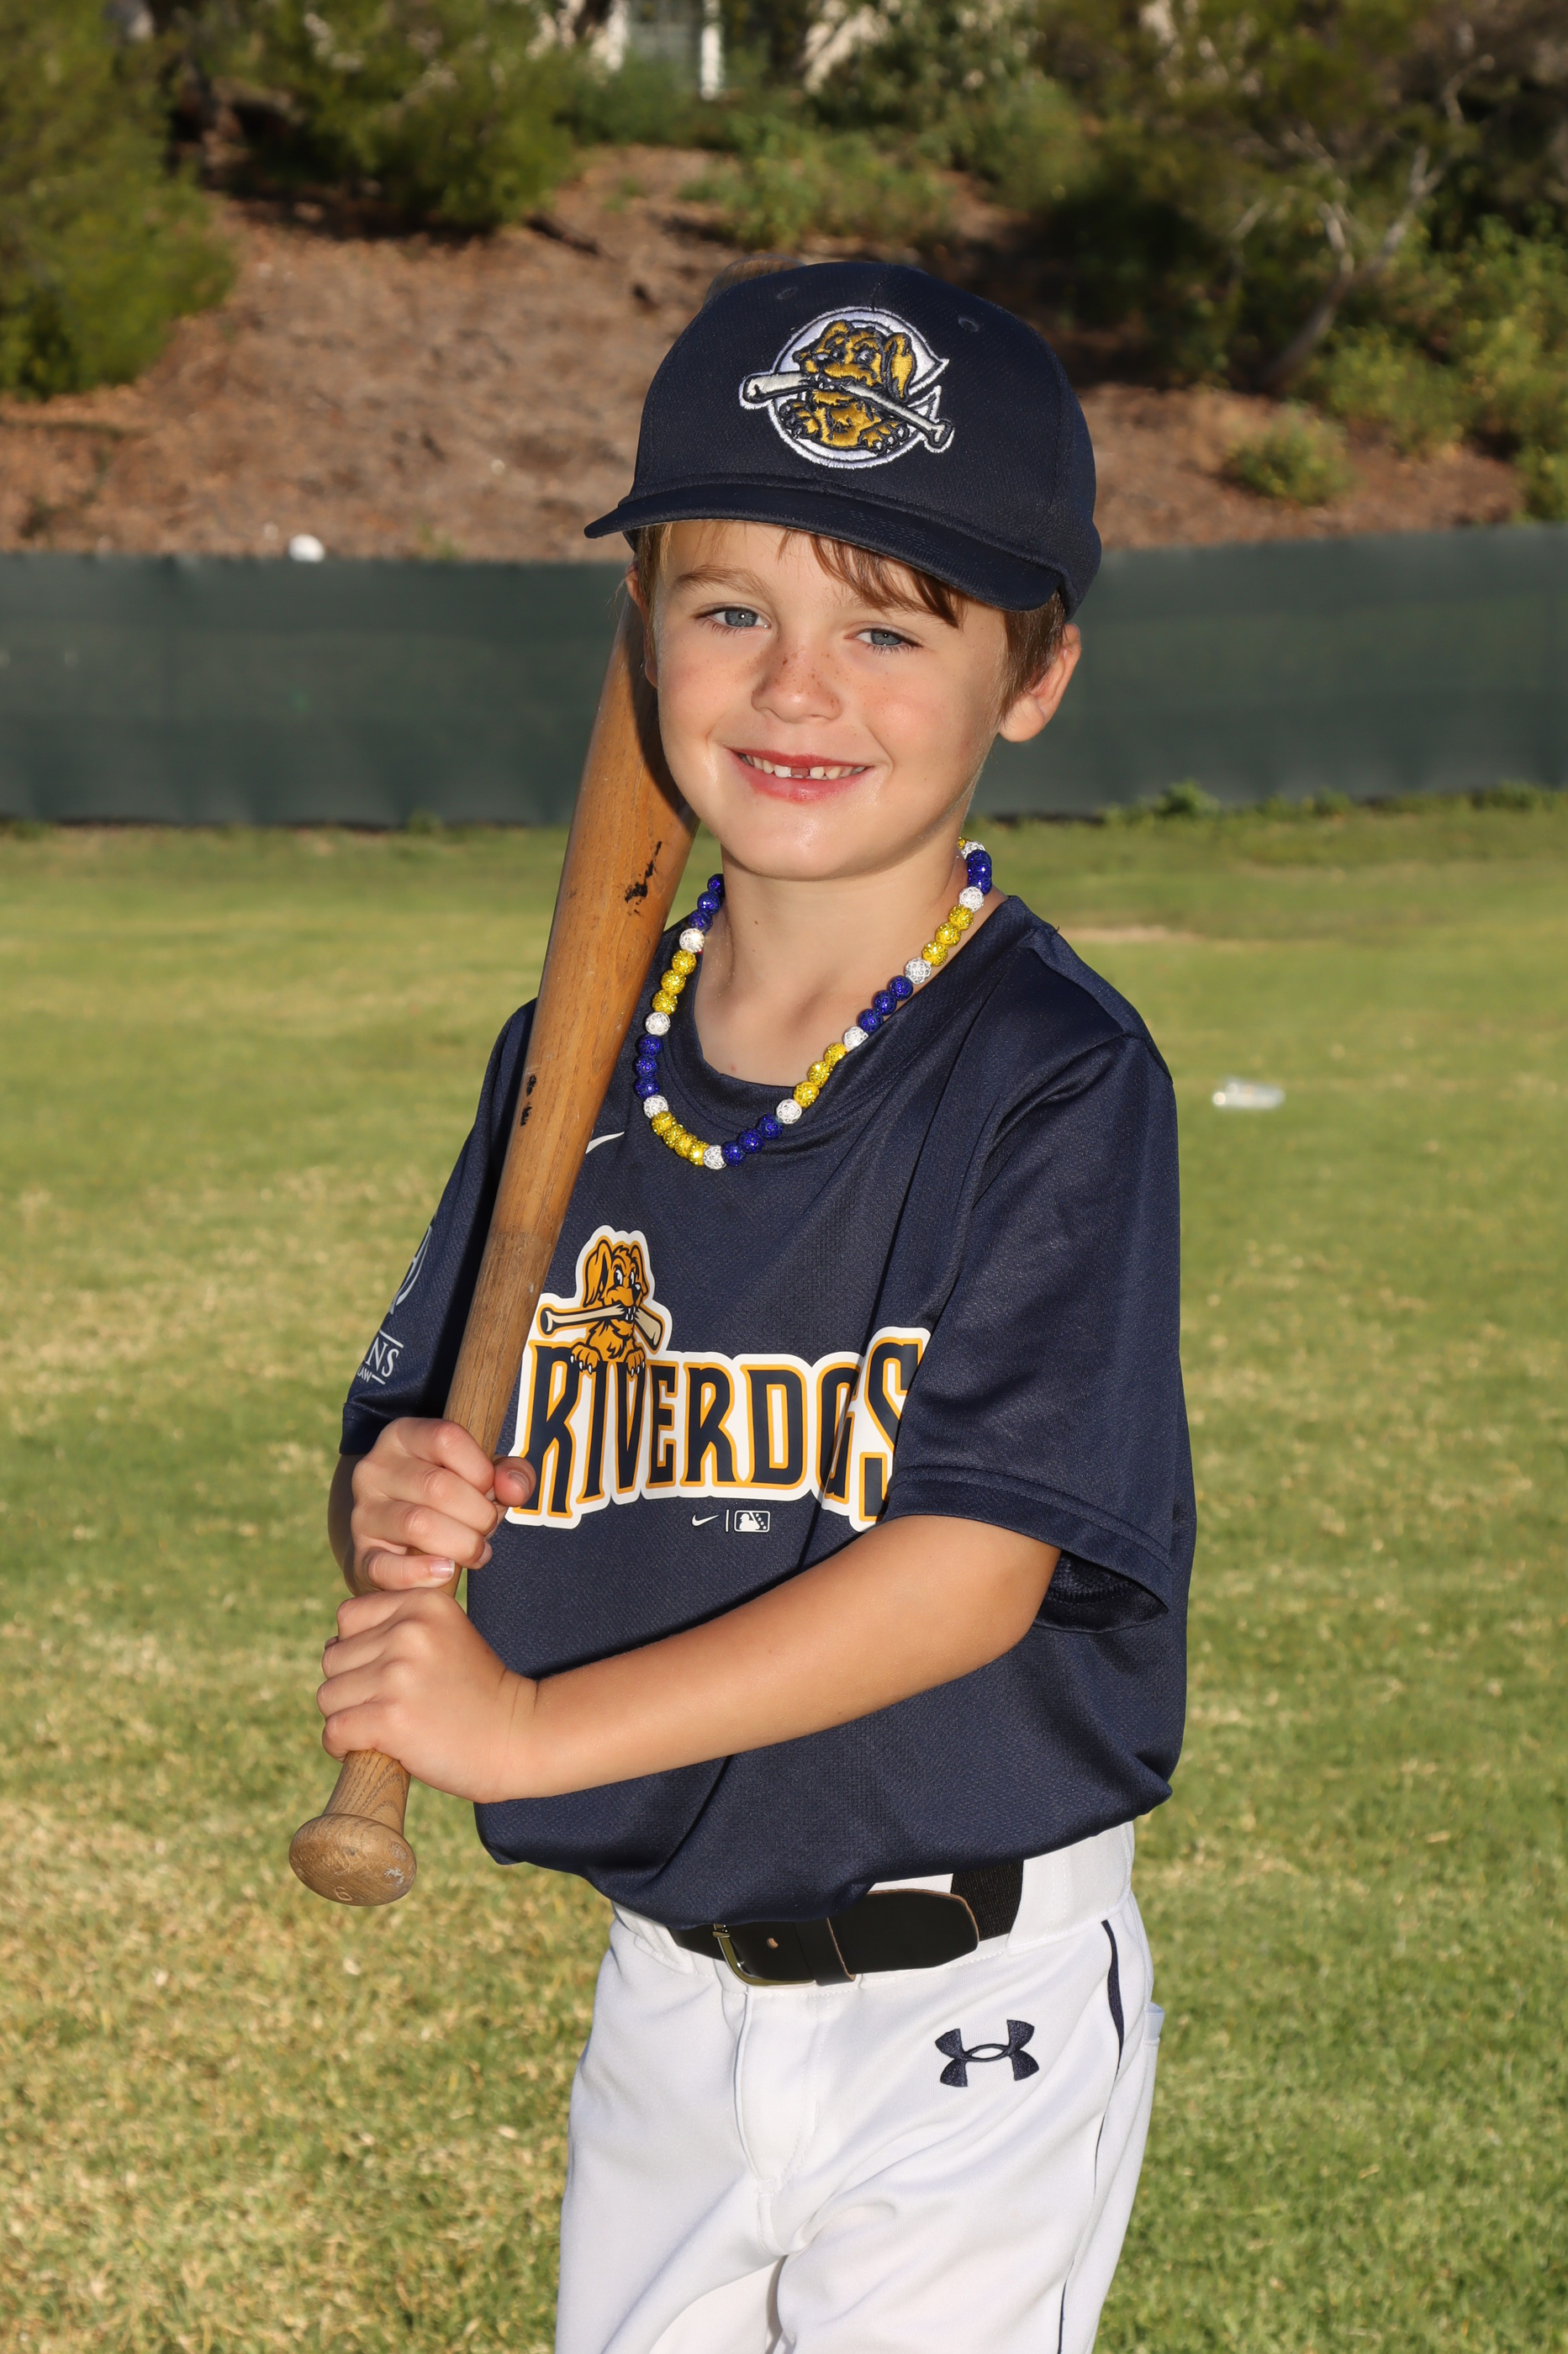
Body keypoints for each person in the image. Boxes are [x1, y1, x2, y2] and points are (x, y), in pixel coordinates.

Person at [315, 260, 1193, 2353]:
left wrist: (527, 1729)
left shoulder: (1052, 1075)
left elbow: (969, 1572)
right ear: (642, 632)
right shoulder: (573, 1053)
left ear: (1034, 671)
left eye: (889, 628)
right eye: (730, 610)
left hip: (963, 2003)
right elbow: (430, 1426)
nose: (799, 689)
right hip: (670, 1999)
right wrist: (399, 1497)